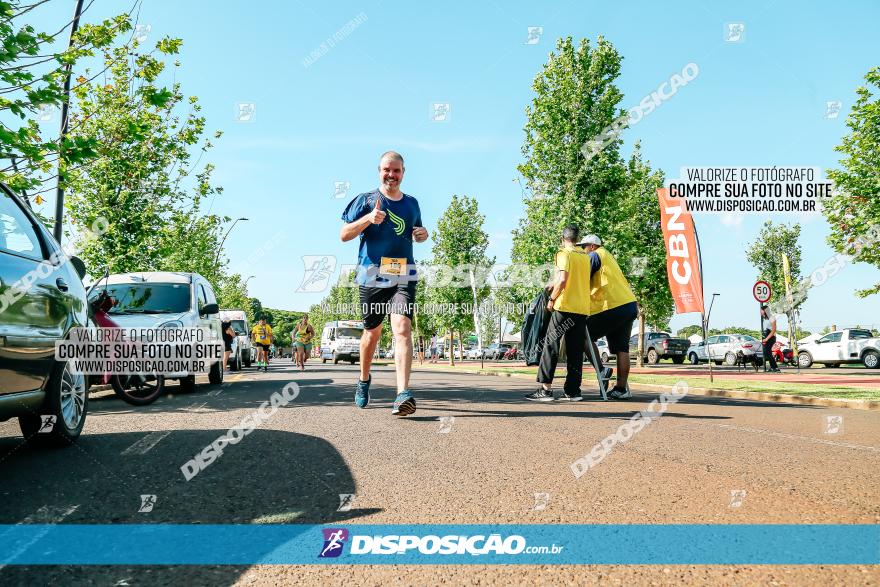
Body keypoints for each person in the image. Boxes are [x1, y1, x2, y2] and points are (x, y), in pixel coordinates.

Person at [340, 151, 428, 416]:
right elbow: (344, 235)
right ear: (379, 171)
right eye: (387, 170)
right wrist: (368, 219)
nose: (391, 175)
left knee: (402, 327)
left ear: (403, 172)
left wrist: (422, 235)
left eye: (396, 171)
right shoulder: (366, 200)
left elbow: (417, 234)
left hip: (404, 272)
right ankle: (364, 380)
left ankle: (402, 393)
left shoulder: (412, 203)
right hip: (372, 274)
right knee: (372, 332)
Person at [525, 225, 592, 402]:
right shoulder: (585, 257)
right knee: (575, 350)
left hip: (564, 307)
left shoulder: (563, 254)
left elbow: (563, 280)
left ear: (563, 239)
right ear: (577, 239)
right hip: (582, 308)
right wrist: (552, 285)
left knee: (550, 345)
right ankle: (573, 391)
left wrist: (552, 299)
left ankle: (545, 390)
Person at [578, 234, 638, 399]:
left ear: (591, 246)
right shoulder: (609, 257)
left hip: (612, 305)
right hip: (629, 305)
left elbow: (580, 279)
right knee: (622, 348)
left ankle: (601, 369)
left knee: (582, 333)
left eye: (583, 247)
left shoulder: (594, 255)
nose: (582, 251)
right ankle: (621, 389)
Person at [761, 305, 781, 372]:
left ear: (765, 310)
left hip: (771, 337)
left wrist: (767, 339)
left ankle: (775, 367)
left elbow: (774, 330)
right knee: (766, 352)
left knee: (767, 352)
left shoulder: (772, 318)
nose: (760, 312)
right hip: (766, 336)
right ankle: (773, 367)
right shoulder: (765, 319)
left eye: (761, 310)